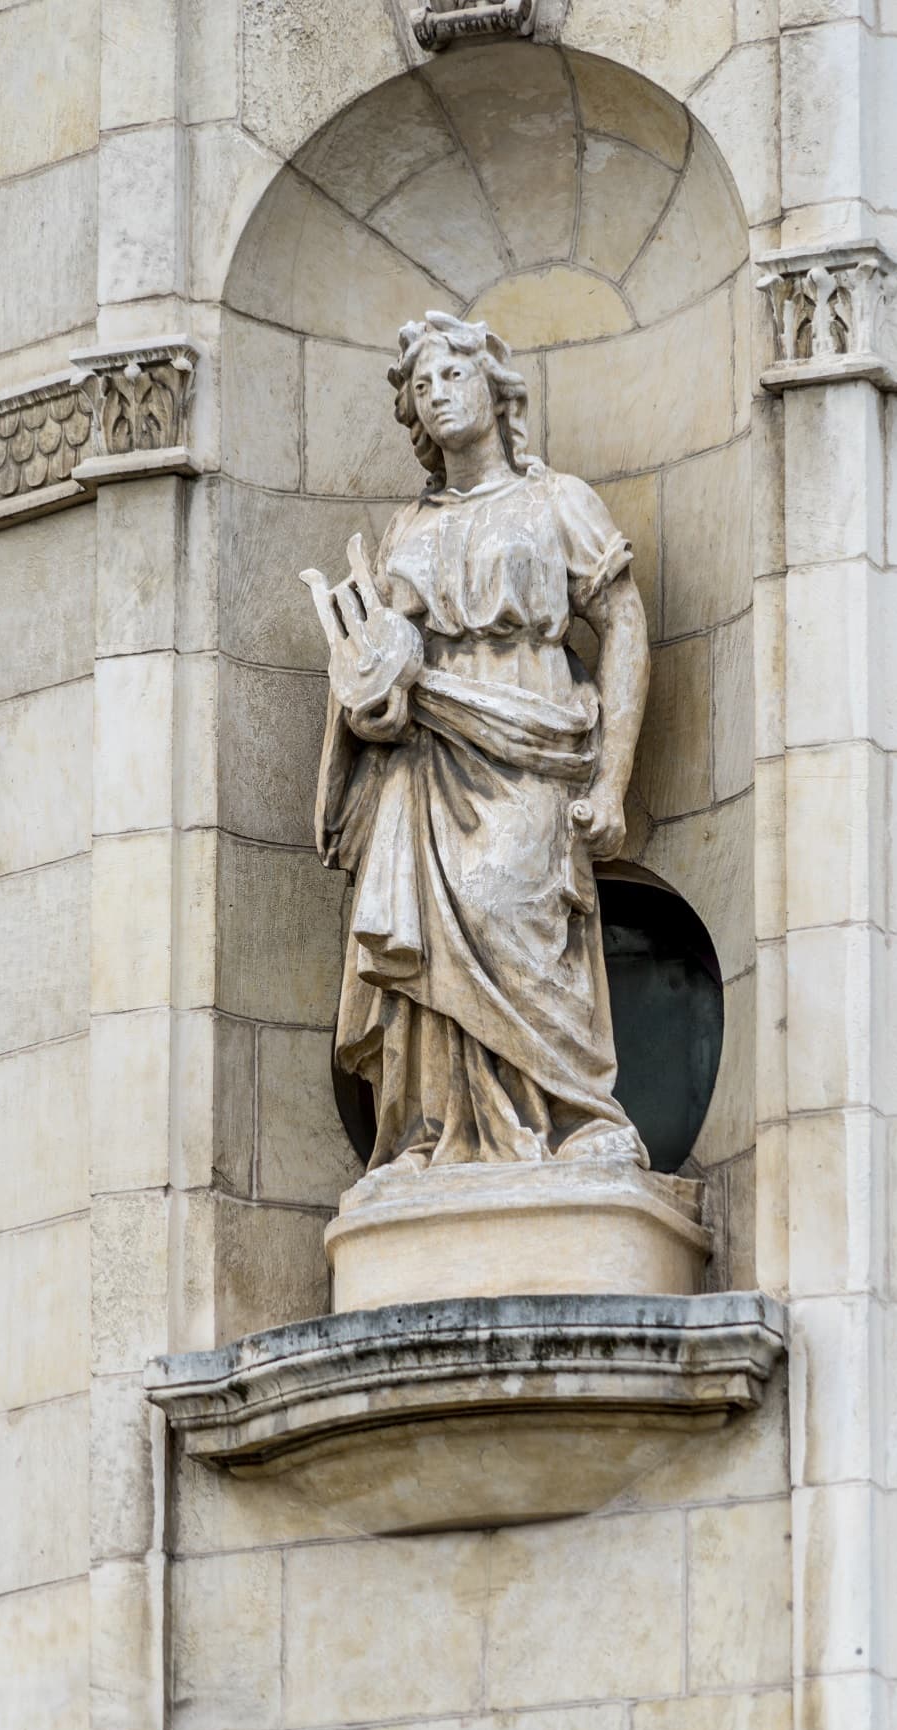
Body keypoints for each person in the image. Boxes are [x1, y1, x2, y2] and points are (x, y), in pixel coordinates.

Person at [306, 310, 650, 1175]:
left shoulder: (555, 501)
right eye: (422, 385)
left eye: (452, 375)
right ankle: (433, 1132)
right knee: (419, 941)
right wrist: (369, 708)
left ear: (496, 393)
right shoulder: (406, 532)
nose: (436, 393)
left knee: (513, 913)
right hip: (423, 764)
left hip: (530, 740)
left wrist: (612, 781)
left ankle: (577, 1114)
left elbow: (623, 624)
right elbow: (383, 663)